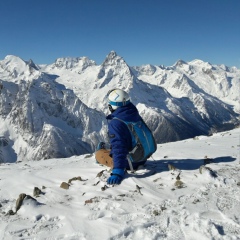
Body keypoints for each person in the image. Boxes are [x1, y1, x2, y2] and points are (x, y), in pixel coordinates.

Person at [95, 88, 150, 185]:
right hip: (142, 157)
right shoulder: (132, 113)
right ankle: (104, 150)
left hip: (130, 163)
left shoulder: (116, 123)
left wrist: (118, 171)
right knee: (113, 149)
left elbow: (118, 147)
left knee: (100, 154)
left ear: (112, 106)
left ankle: (100, 151)